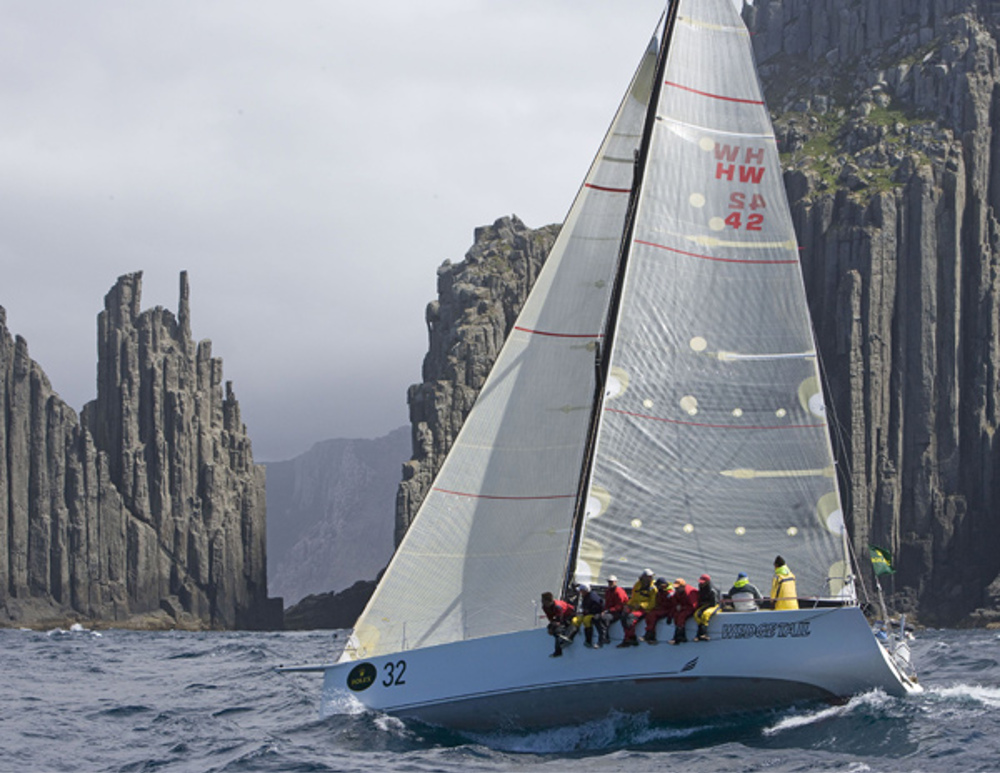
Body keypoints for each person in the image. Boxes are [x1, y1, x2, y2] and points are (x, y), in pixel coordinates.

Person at [618, 568, 658, 647]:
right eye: (648, 576)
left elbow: (652, 603)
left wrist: (641, 605)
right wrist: (628, 605)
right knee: (623, 616)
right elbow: (634, 597)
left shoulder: (653, 589)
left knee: (630, 617)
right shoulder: (637, 585)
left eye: (651, 577)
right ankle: (627, 638)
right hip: (635, 607)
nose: (650, 578)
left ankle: (631, 638)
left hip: (645, 609)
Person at [597, 575, 629, 647]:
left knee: (605, 618)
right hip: (610, 611)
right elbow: (607, 603)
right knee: (597, 617)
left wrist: (608, 610)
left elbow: (620, 605)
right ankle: (603, 637)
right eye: (609, 582)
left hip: (618, 612)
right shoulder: (608, 591)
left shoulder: (619, 591)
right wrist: (604, 611)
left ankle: (604, 638)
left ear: (615, 582)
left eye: (611, 582)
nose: (610, 583)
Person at [571, 583, 606, 648]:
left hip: (594, 614)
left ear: (585, 590)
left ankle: (588, 640)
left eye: (581, 590)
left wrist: (596, 611)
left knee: (586, 620)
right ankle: (570, 637)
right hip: (586, 613)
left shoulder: (592, 596)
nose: (580, 592)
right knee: (575, 620)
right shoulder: (585, 597)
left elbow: (601, 604)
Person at [541, 591, 575, 657]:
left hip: (570, 614)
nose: (542, 602)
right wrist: (551, 627)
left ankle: (566, 637)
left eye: (543, 600)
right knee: (551, 628)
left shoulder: (557, 606)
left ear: (548, 601)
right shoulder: (545, 607)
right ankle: (558, 650)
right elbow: (550, 618)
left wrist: (554, 626)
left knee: (558, 629)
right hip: (560, 617)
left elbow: (559, 620)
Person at [642, 578, 675, 643]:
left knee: (652, 615)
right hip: (661, 608)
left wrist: (670, 615)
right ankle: (649, 632)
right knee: (649, 613)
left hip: (667, 610)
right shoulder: (660, 592)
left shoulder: (669, 593)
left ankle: (650, 634)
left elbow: (674, 605)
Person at [669, 578, 698, 644]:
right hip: (685, 608)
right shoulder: (678, 592)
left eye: (677, 588)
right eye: (675, 588)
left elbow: (693, 606)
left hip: (692, 608)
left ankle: (678, 637)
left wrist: (682, 608)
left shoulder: (690, 593)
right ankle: (682, 636)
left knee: (682, 616)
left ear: (683, 586)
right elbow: (675, 603)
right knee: (676, 615)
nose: (676, 589)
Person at [694, 574, 720, 641]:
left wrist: (704, 606)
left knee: (705, 614)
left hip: (715, 605)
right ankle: (699, 634)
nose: (701, 583)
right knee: (696, 615)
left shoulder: (712, 590)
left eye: (703, 582)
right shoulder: (701, 587)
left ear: (707, 582)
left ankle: (704, 634)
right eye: (700, 582)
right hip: (706, 604)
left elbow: (713, 603)